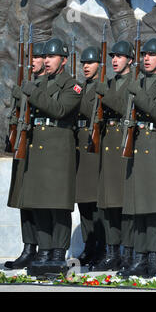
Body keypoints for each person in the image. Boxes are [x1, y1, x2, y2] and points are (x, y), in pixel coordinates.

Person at [111, 37, 156, 278]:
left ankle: (153, 258)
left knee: (155, 209)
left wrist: (137, 93)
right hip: (138, 146)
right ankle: (139, 257)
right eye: (145, 55)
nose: (147, 59)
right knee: (138, 207)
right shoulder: (137, 82)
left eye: (152, 55)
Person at [13, 38, 82, 274]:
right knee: (39, 203)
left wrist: (32, 92)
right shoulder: (40, 83)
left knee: (58, 205)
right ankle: (43, 250)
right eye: (46, 57)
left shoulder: (73, 86)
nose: (47, 61)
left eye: (52, 57)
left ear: (63, 60)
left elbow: (59, 109)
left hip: (58, 149)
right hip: (39, 147)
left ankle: (57, 252)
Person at [89, 40, 134, 273]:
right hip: (108, 143)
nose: (115, 60)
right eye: (113, 56)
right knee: (108, 204)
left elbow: (123, 105)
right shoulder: (108, 82)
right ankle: (112, 251)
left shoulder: (134, 83)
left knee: (124, 204)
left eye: (120, 56)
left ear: (130, 60)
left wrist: (104, 94)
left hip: (123, 144)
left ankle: (127, 253)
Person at [5, 41, 46, 270]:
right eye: (32, 58)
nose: (33, 61)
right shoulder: (27, 83)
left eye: (37, 57)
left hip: (37, 149)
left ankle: (42, 248)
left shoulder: (43, 85)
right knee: (24, 201)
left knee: (38, 202)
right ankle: (28, 248)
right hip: (23, 146)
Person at [75, 46, 105, 267]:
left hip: (96, 147)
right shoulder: (81, 87)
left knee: (96, 203)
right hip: (81, 146)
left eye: (90, 62)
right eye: (84, 63)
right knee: (84, 202)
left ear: (99, 65)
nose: (86, 66)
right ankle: (88, 246)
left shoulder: (101, 87)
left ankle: (101, 248)